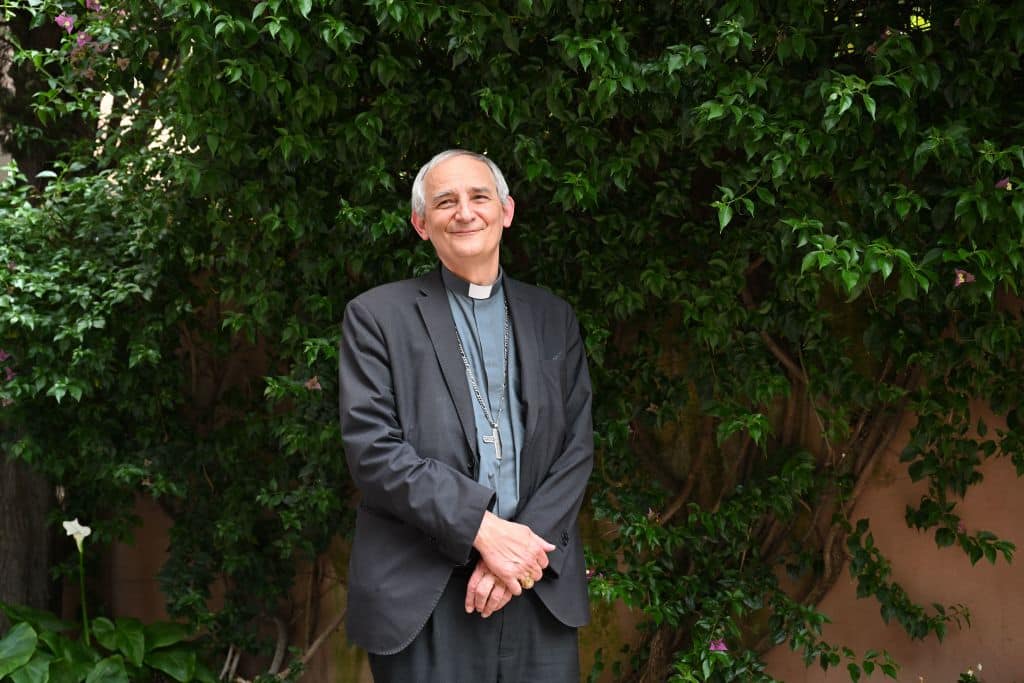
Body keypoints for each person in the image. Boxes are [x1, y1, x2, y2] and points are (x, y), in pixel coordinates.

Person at [338, 149, 594, 681]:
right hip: (424, 592)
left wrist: (518, 553)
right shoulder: (376, 317)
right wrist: (482, 530)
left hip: (536, 584)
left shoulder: (553, 317)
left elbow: (577, 448)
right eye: (445, 202)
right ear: (421, 224)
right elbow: (374, 451)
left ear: (506, 210)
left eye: (480, 197)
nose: (465, 212)